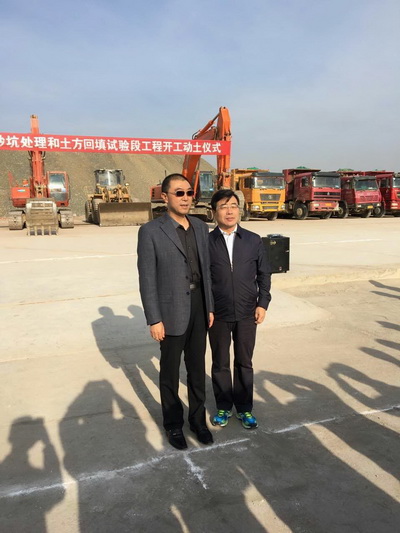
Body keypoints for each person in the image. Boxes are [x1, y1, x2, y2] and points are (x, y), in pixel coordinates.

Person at [137, 173, 214, 450]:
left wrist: (210, 307)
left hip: (199, 306)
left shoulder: (200, 227)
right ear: (164, 197)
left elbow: (206, 270)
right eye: (179, 193)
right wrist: (154, 319)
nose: (185, 198)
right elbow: (147, 278)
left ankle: (198, 421)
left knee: (197, 369)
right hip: (170, 311)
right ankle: (173, 425)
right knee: (169, 372)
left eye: (189, 192)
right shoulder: (151, 231)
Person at [208, 189, 271, 429]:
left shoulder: (253, 240)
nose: (229, 211)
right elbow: (203, 279)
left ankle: (244, 408)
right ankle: (224, 406)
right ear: (214, 212)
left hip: (247, 312)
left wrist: (262, 303)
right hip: (218, 314)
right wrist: (208, 308)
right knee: (220, 362)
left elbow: (264, 274)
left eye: (233, 205)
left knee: (244, 362)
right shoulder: (206, 242)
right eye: (223, 206)